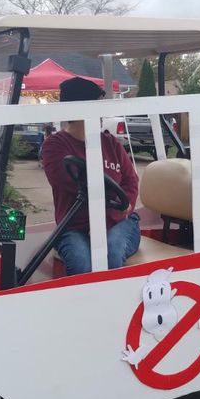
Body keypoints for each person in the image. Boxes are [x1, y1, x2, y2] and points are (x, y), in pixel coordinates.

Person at [41, 77, 140, 276]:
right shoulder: (55, 146)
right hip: (73, 226)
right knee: (81, 264)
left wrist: (121, 203)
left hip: (118, 222)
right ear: (79, 111)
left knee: (111, 253)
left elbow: (131, 181)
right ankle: (82, 306)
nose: (101, 115)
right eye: (96, 107)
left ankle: (112, 305)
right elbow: (71, 182)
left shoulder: (110, 143)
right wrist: (113, 197)